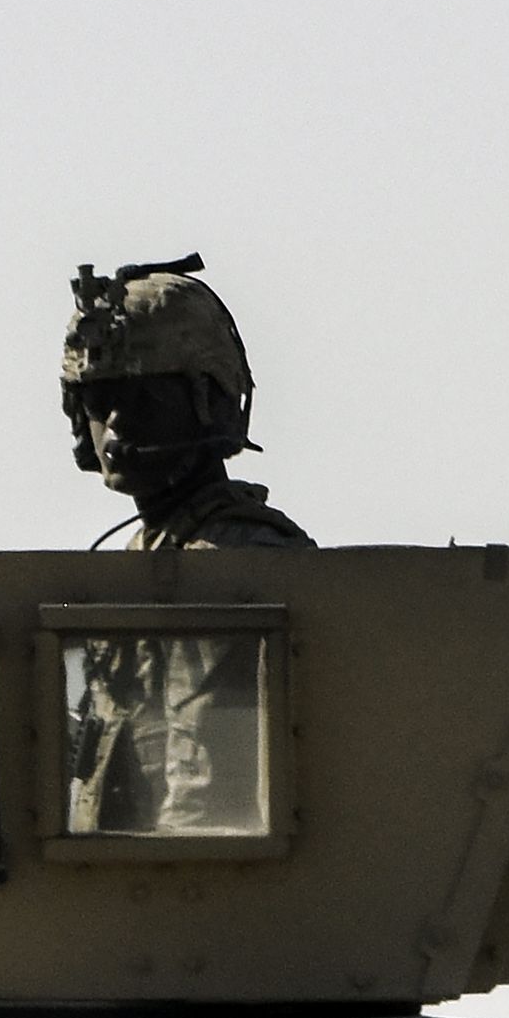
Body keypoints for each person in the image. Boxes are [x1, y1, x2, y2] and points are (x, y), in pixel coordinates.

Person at [58, 254, 314, 833]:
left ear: (206, 402)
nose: (115, 428)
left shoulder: (233, 562)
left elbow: (207, 795)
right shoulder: (156, 552)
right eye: (98, 403)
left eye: (144, 400)